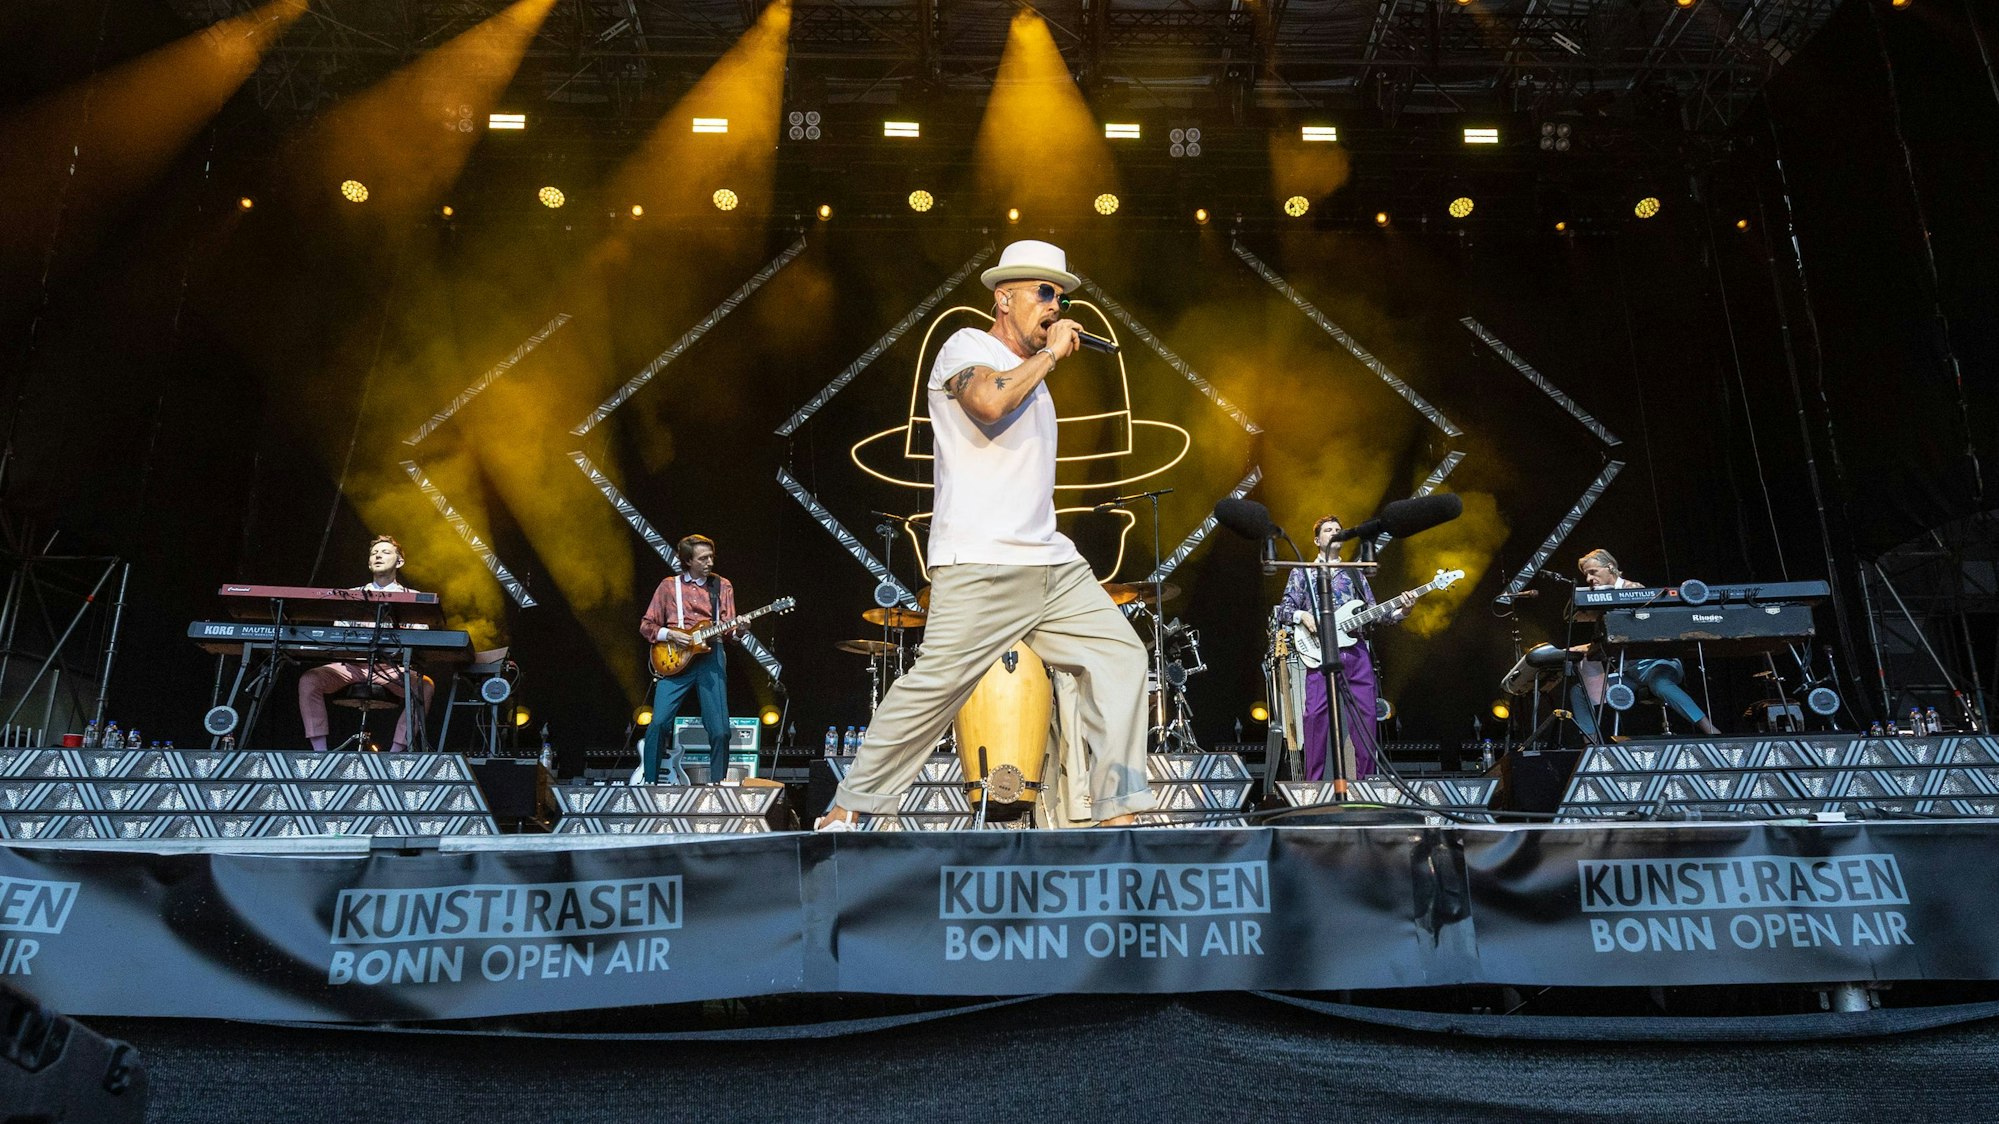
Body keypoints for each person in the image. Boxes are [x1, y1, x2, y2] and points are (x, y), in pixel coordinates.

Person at [818, 240, 1157, 829]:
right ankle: (850, 806)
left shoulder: (1035, 377)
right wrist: (1050, 356)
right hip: (982, 562)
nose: (1056, 305)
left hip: (1051, 563)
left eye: (1062, 296)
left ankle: (1116, 812)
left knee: (1121, 655)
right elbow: (987, 402)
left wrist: (1044, 362)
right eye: (1045, 292)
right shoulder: (966, 347)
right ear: (1005, 298)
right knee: (936, 685)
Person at [1276, 514, 1404, 781]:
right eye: (1328, 529)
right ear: (1317, 540)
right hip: (1319, 652)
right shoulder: (1303, 572)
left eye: (1338, 529)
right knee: (1315, 717)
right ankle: (1313, 784)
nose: (1335, 532)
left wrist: (1403, 610)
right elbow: (1284, 610)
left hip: (1356, 652)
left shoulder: (1354, 572)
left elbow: (1375, 613)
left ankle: (1366, 782)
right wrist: (1303, 616)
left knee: (1366, 716)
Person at [297, 535, 434, 752]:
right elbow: (337, 635)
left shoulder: (413, 598)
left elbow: (420, 639)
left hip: (392, 668)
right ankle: (320, 753)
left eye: (386, 552)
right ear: (369, 562)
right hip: (352, 665)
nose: (378, 555)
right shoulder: (350, 595)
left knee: (425, 685)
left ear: (399, 562)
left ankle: (395, 752)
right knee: (309, 680)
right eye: (374, 553)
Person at [1567, 547, 1720, 740]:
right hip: (1631, 673)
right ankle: (1591, 743)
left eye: (1593, 572)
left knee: (1660, 684)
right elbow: (1605, 641)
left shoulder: (1633, 589)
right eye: (1586, 575)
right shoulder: (1600, 602)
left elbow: (1636, 631)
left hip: (1658, 663)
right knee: (1579, 692)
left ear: (1610, 567)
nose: (1589, 579)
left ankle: (1711, 730)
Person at [639, 535, 739, 784]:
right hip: (675, 658)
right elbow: (647, 625)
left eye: (711, 557)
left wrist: (739, 630)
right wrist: (671, 634)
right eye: (703, 558)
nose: (709, 562)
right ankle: (650, 785)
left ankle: (718, 786)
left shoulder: (722, 585)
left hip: (710, 656)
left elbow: (728, 631)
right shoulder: (668, 586)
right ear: (687, 561)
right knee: (659, 723)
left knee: (720, 730)